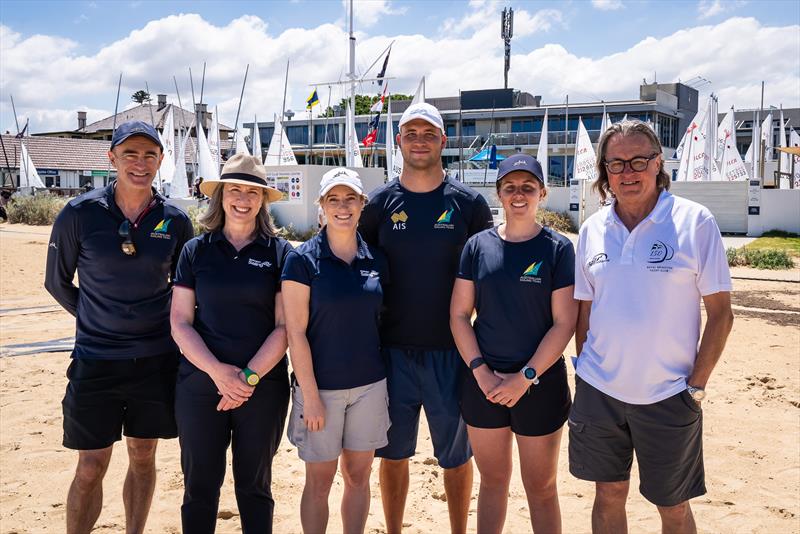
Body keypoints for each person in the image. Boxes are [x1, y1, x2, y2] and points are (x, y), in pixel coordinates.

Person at [569, 120, 734, 533]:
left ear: (658, 163)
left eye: (639, 160)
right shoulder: (592, 230)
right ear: (605, 171)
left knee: (673, 506)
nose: (628, 172)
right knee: (607, 495)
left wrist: (695, 387)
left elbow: (721, 313)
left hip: (669, 394)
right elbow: (584, 313)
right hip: (599, 391)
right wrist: (585, 369)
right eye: (617, 163)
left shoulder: (694, 221)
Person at [44, 120, 193, 534]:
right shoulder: (79, 214)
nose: (140, 163)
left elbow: (186, 288)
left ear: (161, 160)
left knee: (143, 455)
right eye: (130, 153)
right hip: (96, 360)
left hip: (155, 359)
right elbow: (56, 282)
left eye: (150, 154)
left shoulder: (175, 220)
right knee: (91, 464)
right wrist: (96, 318)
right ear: (111, 158)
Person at [358, 102, 494, 534]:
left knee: (456, 456)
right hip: (391, 352)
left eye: (428, 133)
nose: (419, 140)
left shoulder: (469, 205)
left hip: (451, 353)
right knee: (392, 455)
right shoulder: (377, 205)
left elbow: (488, 276)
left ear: (443, 141)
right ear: (397, 141)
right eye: (411, 133)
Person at [451, 154, 576, 533]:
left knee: (540, 487)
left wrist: (525, 376)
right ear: (499, 193)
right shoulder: (477, 246)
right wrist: (481, 372)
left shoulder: (557, 249)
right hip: (483, 384)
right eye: (510, 187)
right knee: (493, 482)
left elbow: (564, 322)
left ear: (543, 192)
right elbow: (459, 316)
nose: (518, 195)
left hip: (538, 384)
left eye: (527, 187)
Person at [169, 153, 291, 533]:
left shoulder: (280, 253)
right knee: (200, 487)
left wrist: (247, 379)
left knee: (255, 487)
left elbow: (285, 327)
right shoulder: (196, 251)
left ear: (263, 200)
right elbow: (180, 322)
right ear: (220, 196)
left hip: (263, 387)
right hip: (201, 386)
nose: (243, 198)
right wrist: (218, 373)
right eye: (234, 189)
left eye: (252, 192)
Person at [282, 168, 391, 534]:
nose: (342, 207)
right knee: (319, 482)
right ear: (322, 206)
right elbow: (295, 333)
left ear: (362, 205)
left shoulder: (377, 259)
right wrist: (310, 396)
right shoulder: (302, 260)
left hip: (370, 387)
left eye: (350, 199)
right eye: (333, 199)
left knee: (359, 477)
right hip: (321, 391)